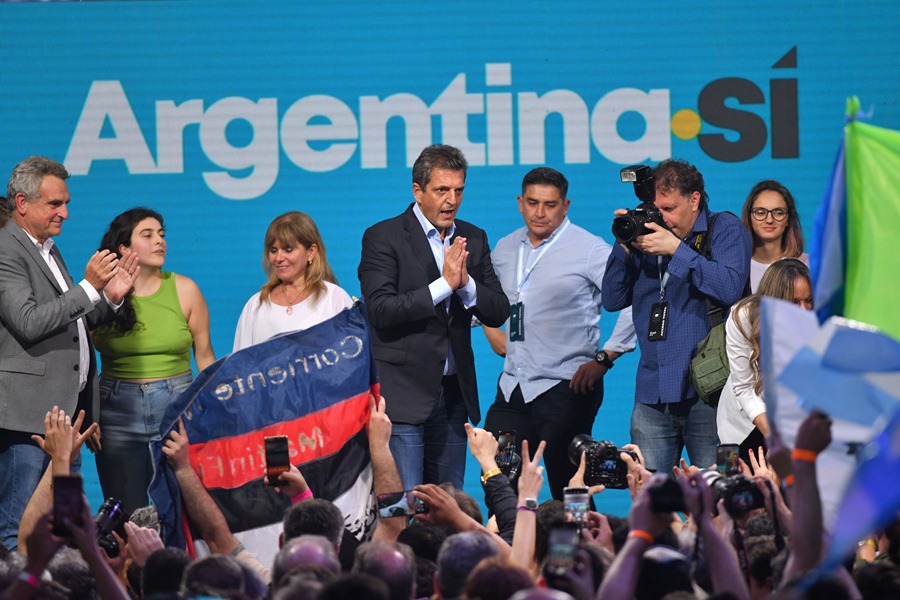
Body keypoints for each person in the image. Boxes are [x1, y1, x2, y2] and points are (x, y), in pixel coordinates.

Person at [0, 156, 138, 552]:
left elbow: (68, 320)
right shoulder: (7, 250)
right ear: (22, 203)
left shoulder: (46, 248)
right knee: (18, 530)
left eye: (66, 202)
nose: (66, 212)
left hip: (64, 420)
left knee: (61, 531)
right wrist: (89, 286)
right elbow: (29, 322)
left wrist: (108, 297)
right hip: (27, 422)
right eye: (55, 204)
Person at [357, 144, 509, 490]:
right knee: (407, 503)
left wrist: (466, 284)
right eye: (442, 190)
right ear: (418, 191)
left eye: (458, 190)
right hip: (404, 397)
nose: (451, 200)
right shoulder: (383, 237)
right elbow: (380, 310)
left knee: (449, 505)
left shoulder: (474, 237)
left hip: (455, 396)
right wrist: (444, 285)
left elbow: (498, 309)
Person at [482, 167, 635, 500]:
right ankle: (511, 550)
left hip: (566, 387)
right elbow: (483, 299)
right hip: (513, 388)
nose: (540, 212)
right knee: (501, 487)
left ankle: (582, 550)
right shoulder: (506, 248)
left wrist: (605, 358)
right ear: (520, 203)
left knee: (571, 488)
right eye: (533, 202)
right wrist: (490, 328)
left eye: (550, 204)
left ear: (565, 206)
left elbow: (634, 301)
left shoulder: (590, 249)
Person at [602, 158, 751, 472]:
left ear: (694, 199)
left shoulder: (723, 228)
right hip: (652, 392)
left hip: (711, 393)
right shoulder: (646, 237)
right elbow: (612, 299)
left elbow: (729, 289)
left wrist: (675, 249)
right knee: (651, 498)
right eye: (656, 209)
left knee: (720, 490)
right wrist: (624, 247)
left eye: (668, 209)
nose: (661, 218)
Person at [92, 207, 216, 512]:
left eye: (162, 234)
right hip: (116, 412)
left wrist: (215, 412)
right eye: (147, 235)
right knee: (125, 515)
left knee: (183, 511)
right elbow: (79, 357)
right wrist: (88, 412)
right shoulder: (100, 294)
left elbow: (205, 357)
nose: (160, 241)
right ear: (123, 248)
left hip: (176, 408)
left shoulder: (185, 289)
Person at [717, 258, 813, 466]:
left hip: (792, 425)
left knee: (790, 496)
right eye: (794, 302)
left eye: (809, 300)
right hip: (736, 428)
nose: (804, 310)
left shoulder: (817, 323)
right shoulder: (742, 317)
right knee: (730, 491)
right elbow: (743, 388)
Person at [234, 211, 353, 351]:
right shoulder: (256, 305)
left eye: (288, 249)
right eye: (273, 250)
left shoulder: (334, 299)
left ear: (311, 251)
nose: (278, 258)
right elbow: (240, 367)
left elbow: (352, 357)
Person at [740, 180, 807, 292]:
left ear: (788, 220)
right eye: (760, 213)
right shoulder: (737, 267)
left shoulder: (806, 265)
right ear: (749, 217)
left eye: (778, 213)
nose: (769, 220)